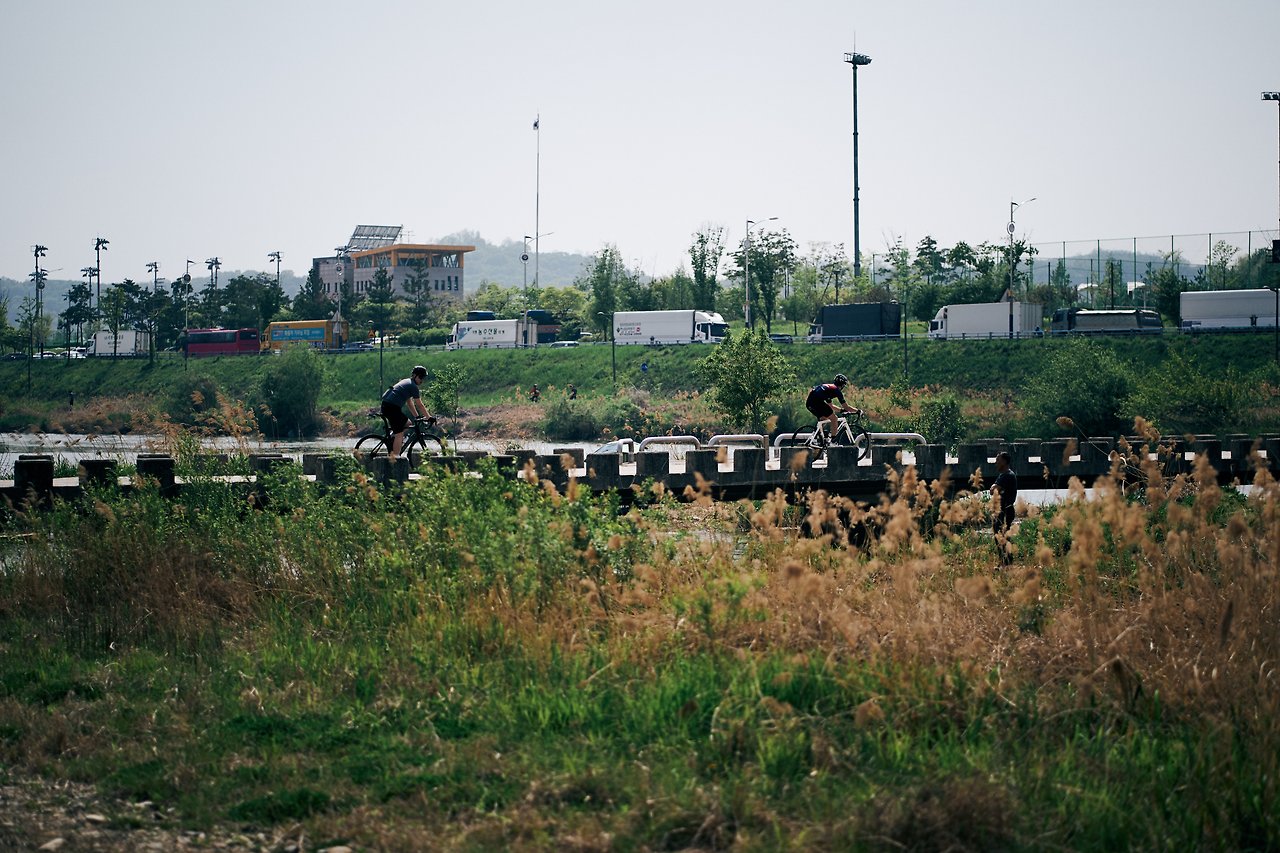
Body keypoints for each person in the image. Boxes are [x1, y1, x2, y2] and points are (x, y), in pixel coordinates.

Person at [381, 365, 431, 462]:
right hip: (391, 408)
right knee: (399, 433)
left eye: (423, 378)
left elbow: (409, 403)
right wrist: (428, 417)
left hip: (388, 406)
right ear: (414, 376)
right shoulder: (413, 386)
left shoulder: (408, 382)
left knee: (408, 424)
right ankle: (395, 460)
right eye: (420, 377)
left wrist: (417, 416)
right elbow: (419, 405)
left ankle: (392, 439)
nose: (422, 380)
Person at [805, 373, 859, 446]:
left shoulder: (829, 389)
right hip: (816, 402)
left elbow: (831, 406)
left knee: (823, 419)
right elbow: (846, 407)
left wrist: (841, 410)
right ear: (842, 385)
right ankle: (833, 442)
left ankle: (813, 438)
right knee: (834, 418)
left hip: (809, 403)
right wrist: (858, 411)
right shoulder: (836, 391)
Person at [992, 451, 1018, 564]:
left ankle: (1006, 561)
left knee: (1001, 535)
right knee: (1003, 535)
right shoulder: (1005, 474)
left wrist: (996, 488)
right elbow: (995, 489)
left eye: (998, 460)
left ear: (1004, 461)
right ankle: (1006, 560)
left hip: (1005, 510)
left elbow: (993, 490)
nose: (996, 463)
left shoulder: (1007, 475)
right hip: (1004, 510)